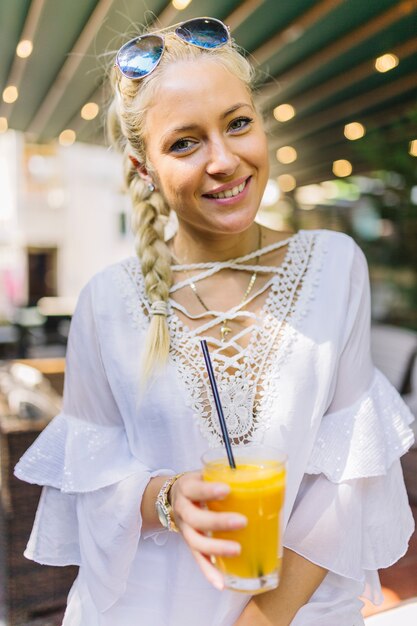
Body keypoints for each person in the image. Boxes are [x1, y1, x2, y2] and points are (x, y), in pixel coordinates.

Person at [15, 16, 415, 626]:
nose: (225, 160)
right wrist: (168, 498)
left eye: (237, 124)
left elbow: (347, 477)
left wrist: (259, 619)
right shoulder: (105, 302)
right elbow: (90, 481)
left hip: (294, 611)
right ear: (142, 167)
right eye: (184, 142)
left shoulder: (337, 267)